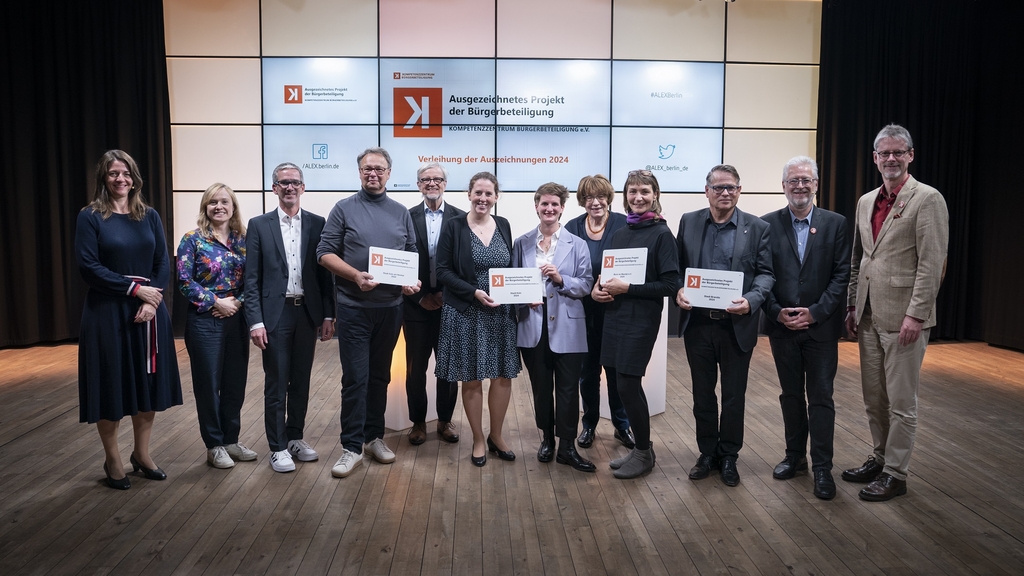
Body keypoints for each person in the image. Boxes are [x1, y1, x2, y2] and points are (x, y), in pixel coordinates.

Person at [843, 124, 949, 501]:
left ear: (910, 156)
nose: (891, 159)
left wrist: (916, 316)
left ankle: (896, 473)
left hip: (905, 320)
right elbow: (859, 259)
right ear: (874, 158)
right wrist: (853, 304)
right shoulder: (866, 200)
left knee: (902, 403)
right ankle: (879, 457)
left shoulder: (928, 199)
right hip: (869, 316)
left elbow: (932, 263)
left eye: (898, 153)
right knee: (875, 400)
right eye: (884, 153)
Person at [76, 149, 182, 489]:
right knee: (112, 384)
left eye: (126, 173)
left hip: (149, 311)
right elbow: (89, 267)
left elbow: (162, 262)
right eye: (112, 174)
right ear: (103, 179)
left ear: (134, 178)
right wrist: (136, 291)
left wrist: (154, 301)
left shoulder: (148, 216)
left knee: (146, 385)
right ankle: (113, 459)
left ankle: (142, 454)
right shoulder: (91, 217)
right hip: (108, 313)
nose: (120, 179)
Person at [317, 147, 420, 478]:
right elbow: (324, 253)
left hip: (390, 310)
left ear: (389, 173)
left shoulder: (400, 212)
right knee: (356, 378)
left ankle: (373, 437)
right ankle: (350, 447)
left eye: (379, 169)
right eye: (366, 169)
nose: (372, 174)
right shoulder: (344, 209)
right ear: (359, 173)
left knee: (380, 377)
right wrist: (355, 276)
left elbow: (411, 253)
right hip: (353, 309)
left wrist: (409, 282)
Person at [675, 164, 774, 487]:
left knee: (733, 396)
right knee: (703, 395)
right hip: (699, 325)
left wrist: (752, 299)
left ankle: (729, 455)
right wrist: (678, 289)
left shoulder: (757, 227)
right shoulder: (689, 222)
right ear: (707, 191)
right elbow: (677, 267)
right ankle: (707, 453)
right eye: (718, 188)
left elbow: (766, 273)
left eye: (731, 187)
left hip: (735, 325)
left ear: (739, 190)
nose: (725, 193)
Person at [761, 156, 850, 500]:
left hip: (821, 329)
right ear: (783, 186)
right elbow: (762, 275)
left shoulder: (836, 223)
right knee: (791, 395)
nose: (800, 185)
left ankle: (823, 468)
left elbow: (841, 275)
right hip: (782, 327)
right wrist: (775, 312)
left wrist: (814, 313)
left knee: (821, 397)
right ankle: (795, 457)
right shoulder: (767, 225)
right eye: (793, 180)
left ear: (816, 185)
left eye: (806, 180)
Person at [245, 163, 336, 473]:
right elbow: (252, 278)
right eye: (283, 183)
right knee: (276, 380)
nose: (289, 187)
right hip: (275, 313)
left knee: (300, 380)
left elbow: (325, 276)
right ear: (274, 188)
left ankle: (295, 436)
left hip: (307, 313)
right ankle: (278, 446)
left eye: (295, 182)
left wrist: (327, 314)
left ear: (303, 187)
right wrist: (255, 321)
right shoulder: (259, 225)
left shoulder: (317, 223)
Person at [592, 170, 679, 479]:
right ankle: (641, 449)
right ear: (625, 195)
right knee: (618, 382)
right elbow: (606, 273)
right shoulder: (618, 232)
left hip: (641, 320)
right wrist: (598, 288)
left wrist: (628, 289)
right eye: (632, 191)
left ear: (654, 193)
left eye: (644, 191)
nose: (638, 197)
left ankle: (643, 451)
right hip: (614, 316)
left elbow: (670, 285)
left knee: (629, 383)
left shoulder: (661, 234)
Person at [435, 172, 520, 467]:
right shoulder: (454, 226)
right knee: (471, 378)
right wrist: (474, 292)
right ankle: (479, 439)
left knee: (502, 375)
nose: (483, 198)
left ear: (496, 197)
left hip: (500, 312)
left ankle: (496, 435)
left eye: (489, 194)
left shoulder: (505, 225)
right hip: (466, 311)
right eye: (478, 193)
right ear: (469, 194)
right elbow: (443, 271)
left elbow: (511, 269)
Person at [514, 182, 595, 471]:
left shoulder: (578, 244)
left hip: (568, 326)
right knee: (540, 388)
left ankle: (568, 446)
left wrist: (561, 279)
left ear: (562, 208)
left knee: (568, 390)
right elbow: (513, 285)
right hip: (532, 325)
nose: (549, 209)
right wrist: (525, 299)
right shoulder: (521, 243)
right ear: (536, 206)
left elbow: (586, 285)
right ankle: (547, 438)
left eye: (555, 204)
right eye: (544, 204)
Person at [177, 183, 254, 469]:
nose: (219, 206)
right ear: (205, 208)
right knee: (208, 384)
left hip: (237, 317)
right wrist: (215, 302)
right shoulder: (192, 240)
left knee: (235, 382)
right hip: (204, 321)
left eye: (224, 202)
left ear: (233, 207)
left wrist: (237, 302)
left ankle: (231, 440)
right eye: (213, 202)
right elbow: (184, 282)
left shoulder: (245, 240)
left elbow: (255, 279)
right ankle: (214, 444)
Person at [564, 175, 635, 451]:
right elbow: (567, 269)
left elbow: (633, 262)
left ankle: (622, 425)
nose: (595, 202)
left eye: (600, 196)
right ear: (582, 201)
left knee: (617, 370)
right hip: (582, 310)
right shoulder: (571, 228)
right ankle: (589, 424)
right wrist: (588, 291)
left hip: (617, 309)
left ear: (609, 198)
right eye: (589, 197)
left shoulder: (623, 223)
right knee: (587, 371)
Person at [403, 163, 464, 446]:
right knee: (415, 369)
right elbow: (399, 259)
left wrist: (444, 294)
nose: (431, 183)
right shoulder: (405, 217)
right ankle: (417, 422)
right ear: (418, 185)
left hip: (449, 305)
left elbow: (464, 265)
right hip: (415, 305)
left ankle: (444, 420)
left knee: (448, 367)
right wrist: (419, 296)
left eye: (437, 179)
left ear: (445, 183)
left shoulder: (461, 218)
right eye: (425, 179)